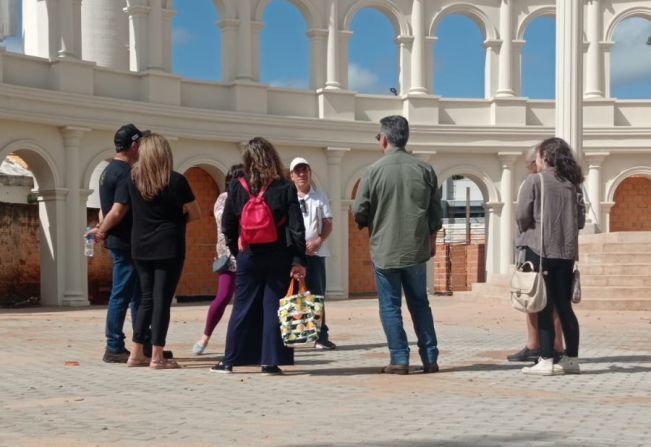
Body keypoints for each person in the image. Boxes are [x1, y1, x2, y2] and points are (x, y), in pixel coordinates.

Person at [352, 115, 442, 375]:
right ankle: (430, 357)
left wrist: (370, 222)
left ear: (384, 139)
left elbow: (359, 210)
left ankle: (399, 359)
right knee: (420, 304)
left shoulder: (373, 171)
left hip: (385, 250)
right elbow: (435, 214)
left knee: (390, 306)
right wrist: (432, 241)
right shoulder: (424, 170)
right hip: (416, 249)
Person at [211, 137, 306, 375]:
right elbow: (296, 227)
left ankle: (230, 360)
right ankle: (270, 362)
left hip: (248, 255)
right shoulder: (284, 186)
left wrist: (236, 249)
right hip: (278, 255)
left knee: (242, 307)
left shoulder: (236, 186)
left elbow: (228, 225)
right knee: (274, 306)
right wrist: (298, 260)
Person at [123, 134, 200, 369]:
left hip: (140, 245)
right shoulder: (176, 181)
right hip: (169, 245)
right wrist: (177, 219)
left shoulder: (133, 180)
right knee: (162, 300)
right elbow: (195, 213)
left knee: (146, 299)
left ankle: (136, 353)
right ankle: (157, 355)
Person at [517, 137, 585, 376]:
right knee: (564, 307)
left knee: (543, 305)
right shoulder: (573, 185)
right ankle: (571, 358)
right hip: (566, 253)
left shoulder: (535, 181)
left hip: (541, 251)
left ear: (545, 157)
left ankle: (545, 359)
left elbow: (522, 216)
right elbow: (581, 221)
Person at [92, 124, 154, 363]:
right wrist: (102, 232)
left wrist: (102, 228)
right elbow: (117, 211)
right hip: (126, 243)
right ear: (134, 146)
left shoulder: (108, 170)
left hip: (120, 241)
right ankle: (114, 345)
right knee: (123, 295)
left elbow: (103, 209)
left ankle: (143, 343)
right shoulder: (127, 173)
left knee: (138, 295)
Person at [508, 148, 565, 363]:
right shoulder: (567, 182)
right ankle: (557, 345)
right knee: (557, 299)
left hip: (535, 245)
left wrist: (526, 231)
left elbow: (522, 215)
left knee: (532, 294)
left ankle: (536, 345)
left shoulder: (533, 182)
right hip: (560, 248)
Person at [192, 164, 245, 355]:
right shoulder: (224, 199)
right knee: (222, 297)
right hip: (227, 257)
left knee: (243, 300)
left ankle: (240, 340)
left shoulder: (248, 199)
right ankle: (205, 336)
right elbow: (225, 224)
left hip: (246, 255)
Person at [289, 157, 336, 350]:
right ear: (291, 176)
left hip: (315, 254)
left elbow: (328, 223)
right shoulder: (288, 196)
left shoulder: (320, 197)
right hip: (292, 255)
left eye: (305, 170)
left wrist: (318, 241)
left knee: (317, 295)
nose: (302, 174)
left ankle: (320, 336)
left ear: (309, 173)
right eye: (297, 171)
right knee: (291, 294)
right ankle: (290, 333)